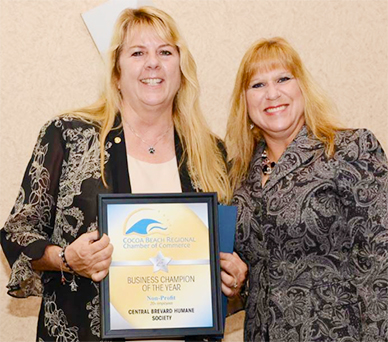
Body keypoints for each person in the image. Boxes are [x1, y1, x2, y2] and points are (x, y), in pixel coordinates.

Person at [0, 6, 246, 341]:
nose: (152, 63)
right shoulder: (69, 136)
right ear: (116, 71)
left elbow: (236, 250)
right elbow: (18, 231)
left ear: (181, 66)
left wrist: (234, 278)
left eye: (164, 52)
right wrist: (67, 258)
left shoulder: (212, 153)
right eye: (137, 52)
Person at [226, 37, 388, 342]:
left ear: (302, 87)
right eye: (257, 85)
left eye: (283, 79)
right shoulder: (237, 175)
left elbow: (381, 263)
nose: (272, 94)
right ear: (244, 100)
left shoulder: (350, 149)